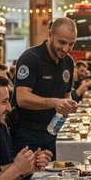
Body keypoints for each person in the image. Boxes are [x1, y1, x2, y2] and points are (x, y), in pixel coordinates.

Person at [10, 17, 78, 159]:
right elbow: (22, 98)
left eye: (71, 44)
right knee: (24, 178)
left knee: (50, 179)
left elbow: (66, 95)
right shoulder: (30, 58)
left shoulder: (68, 62)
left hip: (52, 131)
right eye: (62, 42)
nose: (66, 49)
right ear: (50, 35)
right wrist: (54, 102)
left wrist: (69, 104)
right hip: (26, 132)